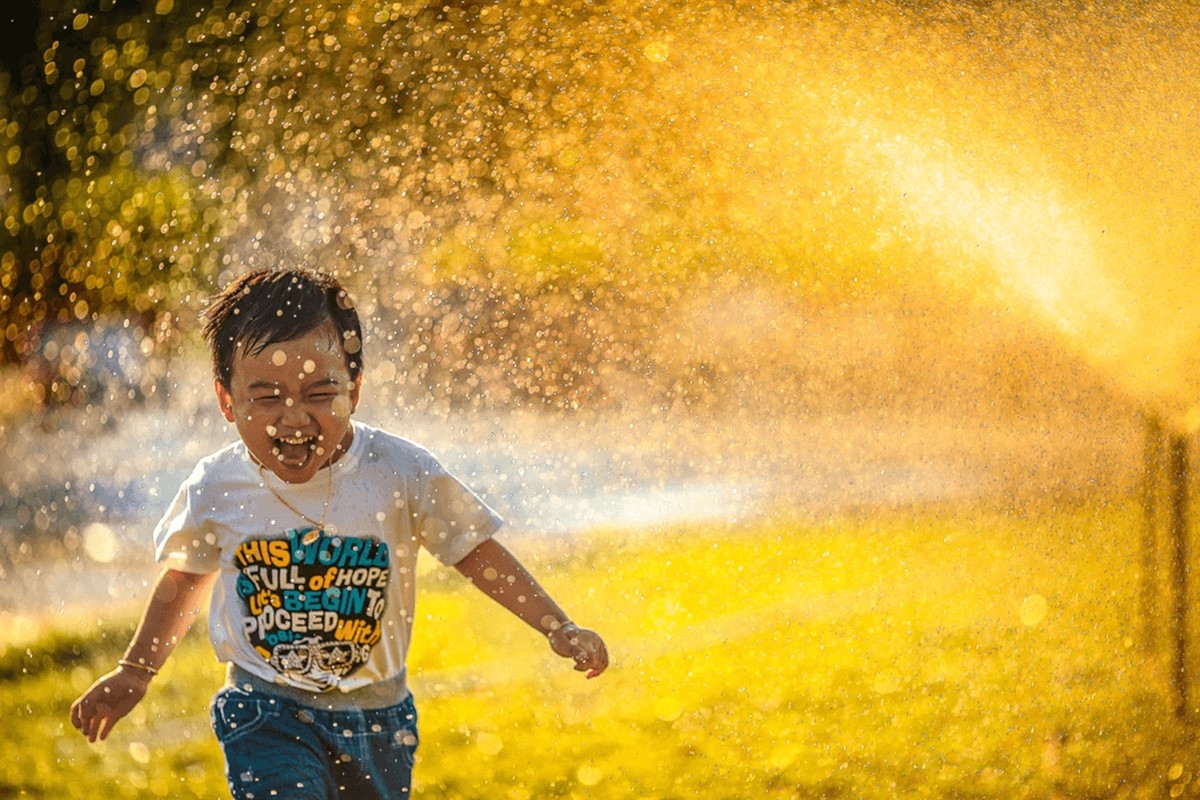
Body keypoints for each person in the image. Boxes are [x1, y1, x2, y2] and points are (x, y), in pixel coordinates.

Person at [70, 267, 608, 799]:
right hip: (266, 710)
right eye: (267, 397)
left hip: (378, 719)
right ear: (226, 401)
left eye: (319, 392)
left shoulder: (399, 471)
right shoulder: (218, 485)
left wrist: (556, 625)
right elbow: (185, 579)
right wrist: (136, 670)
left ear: (354, 389)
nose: (294, 417)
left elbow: (474, 551)